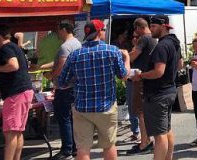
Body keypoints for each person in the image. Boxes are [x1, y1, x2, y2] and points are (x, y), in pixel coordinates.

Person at [58, 20, 130, 160]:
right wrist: (126, 58)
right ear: (99, 32)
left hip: (82, 108)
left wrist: (78, 79)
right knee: (108, 146)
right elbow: (123, 76)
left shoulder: (75, 55)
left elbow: (62, 82)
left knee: (83, 149)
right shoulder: (112, 51)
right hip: (106, 107)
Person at [130, 15, 181, 160]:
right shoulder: (174, 43)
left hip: (159, 93)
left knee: (160, 135)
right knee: (167, 130)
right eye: (150, 26)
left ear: (164, 26)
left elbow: (159, 71)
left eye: (153, 26)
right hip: (169, 90)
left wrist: (141, 75)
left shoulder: (162, 46)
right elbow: (180, 64)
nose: (150, 29)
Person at [39, 22, 81, 160]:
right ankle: (73, 148)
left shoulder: (65, 46)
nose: (57, 34)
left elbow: (60, 67)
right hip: (75, 86)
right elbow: (60, 61)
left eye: (58, 31)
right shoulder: (77, 44)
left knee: (64, 119)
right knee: (72, 119)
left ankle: (66, 149)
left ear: (64, 30)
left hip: (64, 88)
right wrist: (43, 66)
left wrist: (50, 75)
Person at [0, 25, 34, 160]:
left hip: (16, 92)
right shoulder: (15, 47)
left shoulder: (5, 48)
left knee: (10, 132)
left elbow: (13, 65)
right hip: (24, 91)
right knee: (17, 131)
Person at [126, 18, 157, 155]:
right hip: (146, 79)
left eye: (135, 29)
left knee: (140, 112)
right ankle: (146, 140)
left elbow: (132, 56)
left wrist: (125, 55)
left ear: (139, 27)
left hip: (140, 79)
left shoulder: (144, 38)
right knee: (142, 111)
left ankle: (145, 142)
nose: (135, 32)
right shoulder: (152, 39)